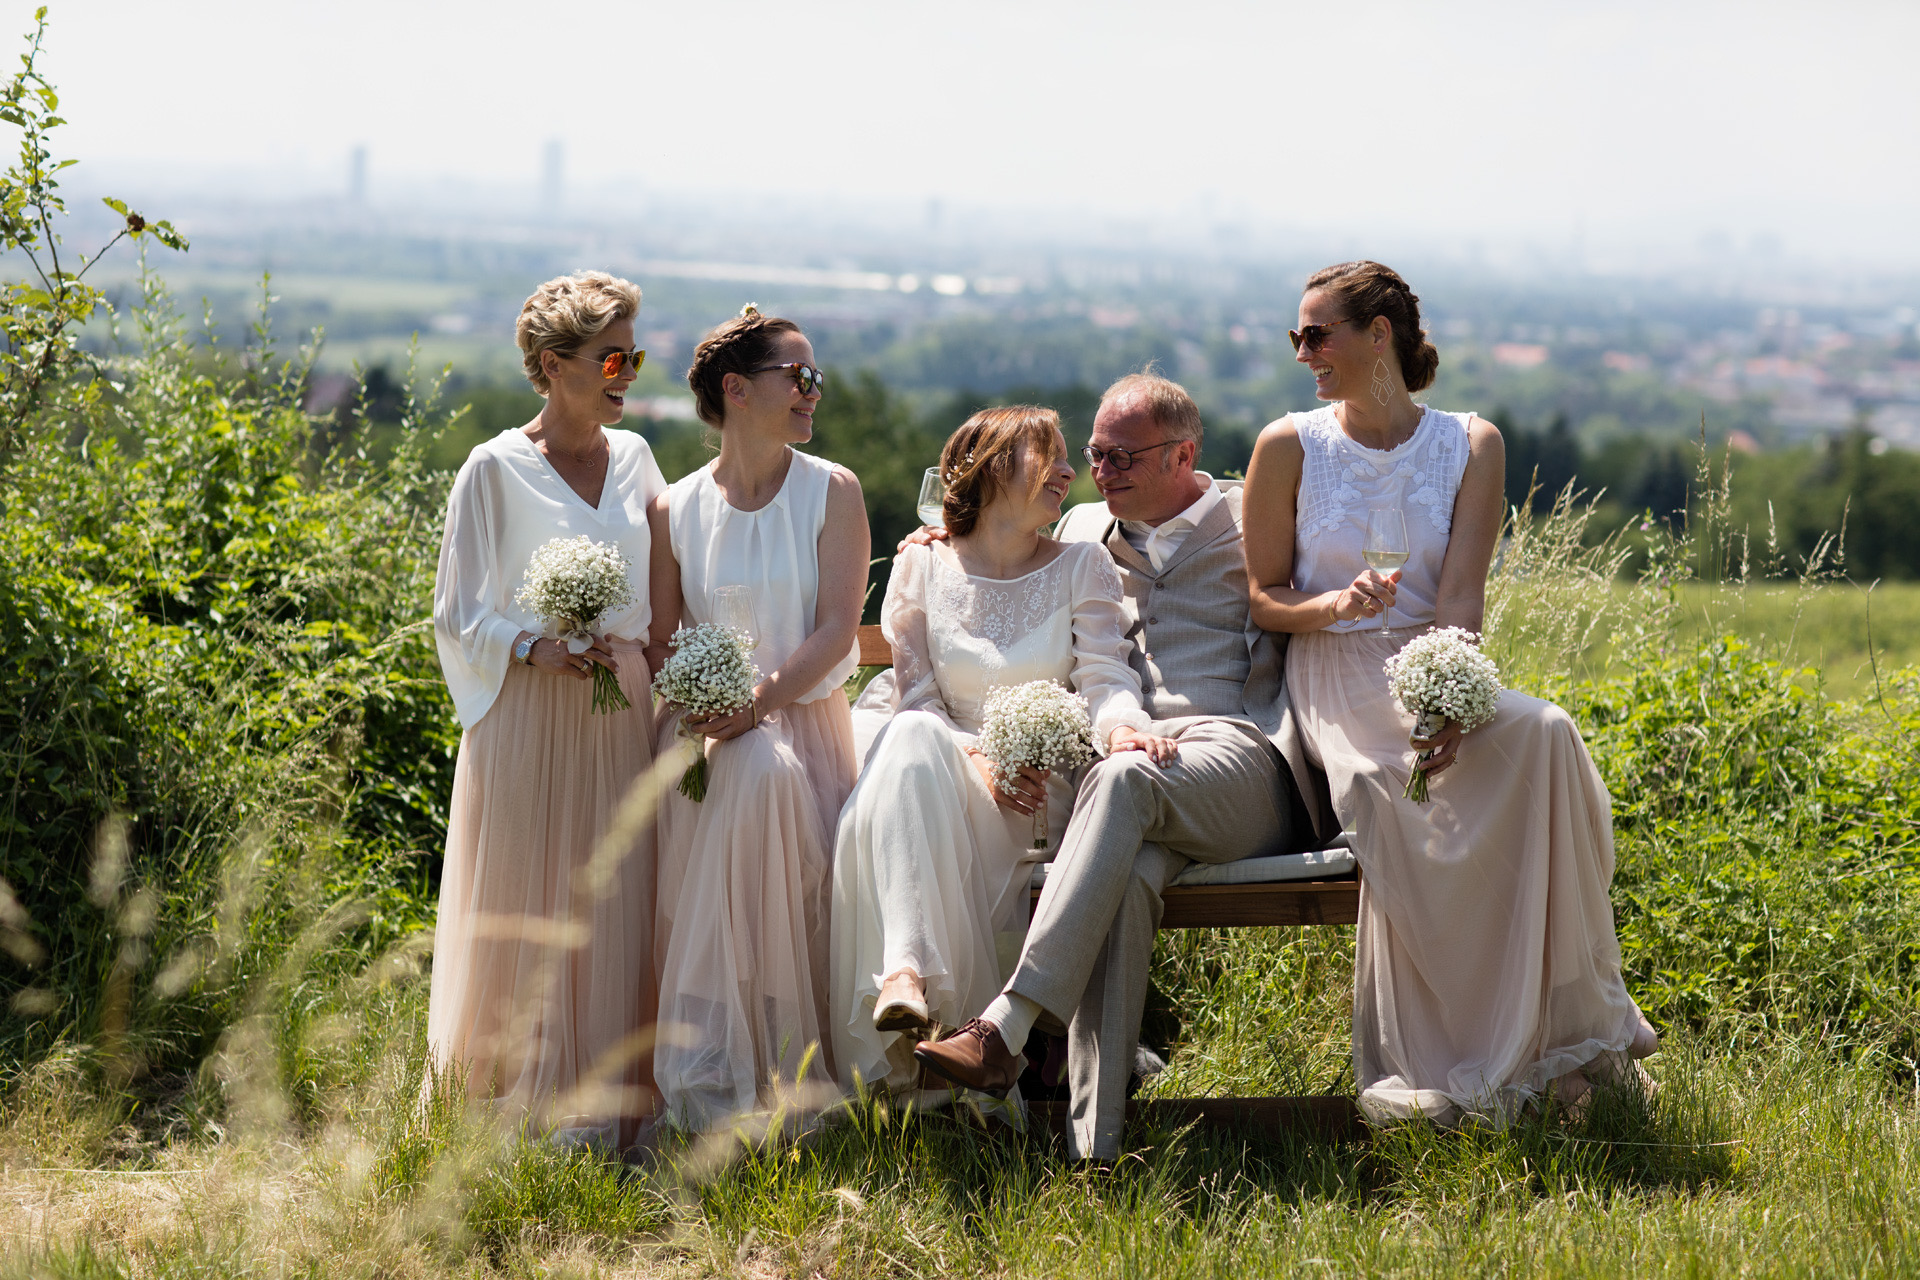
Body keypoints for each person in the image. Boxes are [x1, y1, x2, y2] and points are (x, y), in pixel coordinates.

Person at [1238, 260, 1657, 1124]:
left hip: (1434, 662)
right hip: (1335, 669)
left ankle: (1560, 1040)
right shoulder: (1288, 444)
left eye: (1315, 335)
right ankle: (1466, 1054)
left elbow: (1461, 598)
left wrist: (1451, 702)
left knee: (1545, 732)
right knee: (1389, 792)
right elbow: (1263, 598)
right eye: (1295, 336)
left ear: (1378, 335)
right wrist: (1333, 604)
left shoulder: (1472, 443)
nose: (1301, 353)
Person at [911, 372, 1321, 1162]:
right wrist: (934, 542)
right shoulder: (1085, 528)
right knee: (1126, 872)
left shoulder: (1255, 515)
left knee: (1123, 777)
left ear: (1183, 455)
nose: (1100, 472)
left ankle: (1005, 1026)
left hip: (1240, 760)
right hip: (1127, 775)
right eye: (1095, 454)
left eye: (1122, 457)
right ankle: (1095, 1153)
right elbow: (996, 549)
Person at [829, 407, 1175, 1101]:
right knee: (912, 734)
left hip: (1033, 794)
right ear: (990, 471)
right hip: (936, 778)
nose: (1070, 472)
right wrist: (976, 757)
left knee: (912, 748)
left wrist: (1122, 730)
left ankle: (920, 990)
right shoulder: (921, 564)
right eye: (1048, 456)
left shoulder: (1081, 565)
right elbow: (918, 697)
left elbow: (1105, 676)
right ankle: (905, 974)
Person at [428, 270, 666, 1148]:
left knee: (617, 900)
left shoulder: (637, 459)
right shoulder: (492, 469)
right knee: (527, 905)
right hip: (528, 712)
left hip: (621, 709)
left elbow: (678, 572)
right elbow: (456, 612)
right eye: (611, 357)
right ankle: (512, 1100)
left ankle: (611, 1100)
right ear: (552, 364)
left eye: (633, 355)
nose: (626, 373)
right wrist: (534, 647)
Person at [647, 305, 869, 1132]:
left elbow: (837, 631)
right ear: (737, 390)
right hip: (705, 743)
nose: (815, 392)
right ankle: (721, 1077)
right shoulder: (674, 508)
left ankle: (780, 1080)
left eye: (818, 378)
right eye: (799, 376)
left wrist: (757, 707)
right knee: (747, 767)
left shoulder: (832, 491)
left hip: (804, 730)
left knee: (765, 769)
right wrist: (705, 706)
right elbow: (663, 635)